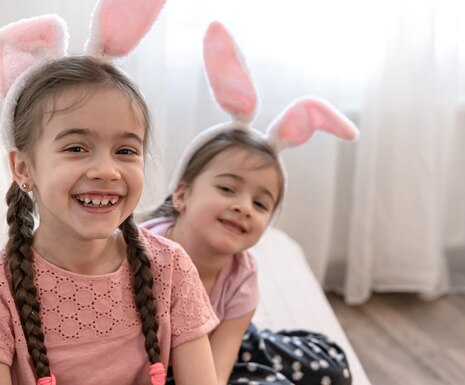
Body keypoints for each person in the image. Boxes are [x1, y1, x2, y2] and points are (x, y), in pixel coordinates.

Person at [0, 0, 219, 385]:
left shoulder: (172, 270)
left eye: (126, 150)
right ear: (23, 169)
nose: (106, 170)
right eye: (76, 148)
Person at [140, 21, 359, 385]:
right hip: (157, 363)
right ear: (181, 194)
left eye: (261, 204)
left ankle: (269, 345)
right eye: (227, 189)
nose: (244, 207)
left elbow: (219, 366)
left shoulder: (242, 275)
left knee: (333, 368)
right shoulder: (141, 255)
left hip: (218, 351)